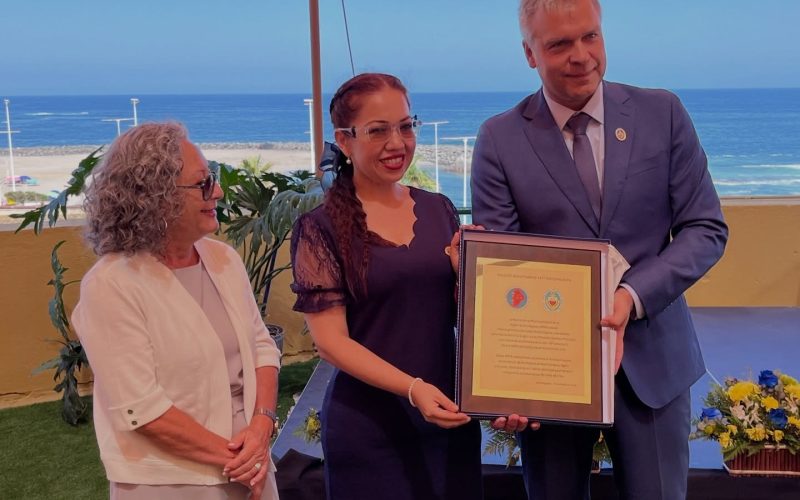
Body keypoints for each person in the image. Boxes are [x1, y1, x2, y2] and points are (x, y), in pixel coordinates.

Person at [470, 1, 729, 498]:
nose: (580, 55)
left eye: (590, 36)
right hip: (548, 375)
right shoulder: (500, 139)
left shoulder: (663, 113)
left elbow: (705, 228)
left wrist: (631, 294)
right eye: (559, 44)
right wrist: (504, 378)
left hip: (652, 361)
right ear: (530, 53)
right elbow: (501, 268)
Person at [289, 73, 483, 500]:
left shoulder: (440, 209)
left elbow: (452, 317)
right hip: (369, 430)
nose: (397, 143)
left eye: (406, 126)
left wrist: (465, 275)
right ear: (344, 139)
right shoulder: (318, 230)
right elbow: (331, 344)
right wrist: (412, 389)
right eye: (378, 131)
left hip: (450, 419)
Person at [72, 122, 281, 500]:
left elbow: (263, 348)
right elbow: (142, 409)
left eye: (212, 178)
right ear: (156, 198)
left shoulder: (223, 259)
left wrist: (261, 427)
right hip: (170, 482)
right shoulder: (111, 284)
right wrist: (242, 459)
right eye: (202, 183)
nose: (216, 191)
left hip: (251, 466)